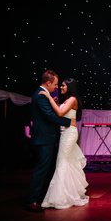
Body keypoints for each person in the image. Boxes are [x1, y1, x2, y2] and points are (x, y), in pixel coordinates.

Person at [40, 77, 89, 210]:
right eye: (60, 85)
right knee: (68, 161)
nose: (60, 87)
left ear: (70, 87)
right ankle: (70, 192)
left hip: (69, 134)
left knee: (61, 161)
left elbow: (60, 112)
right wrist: (55, 102)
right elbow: (61, 115)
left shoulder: (72, 99)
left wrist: (49, 98)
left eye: (63, 86)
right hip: (65, 133)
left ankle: (60, 197)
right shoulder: (68, 99)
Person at [26, 70, 70, 212]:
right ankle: (32, 200)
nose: (56, 88)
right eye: (55, 85)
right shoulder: (40, 95)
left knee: (47, 168)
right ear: (48, 82)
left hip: (47, 137)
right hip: (43, 138)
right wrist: (70, 121)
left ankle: (41, 198)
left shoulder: (45, 95)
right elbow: (50, 117)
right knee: (41, 169)